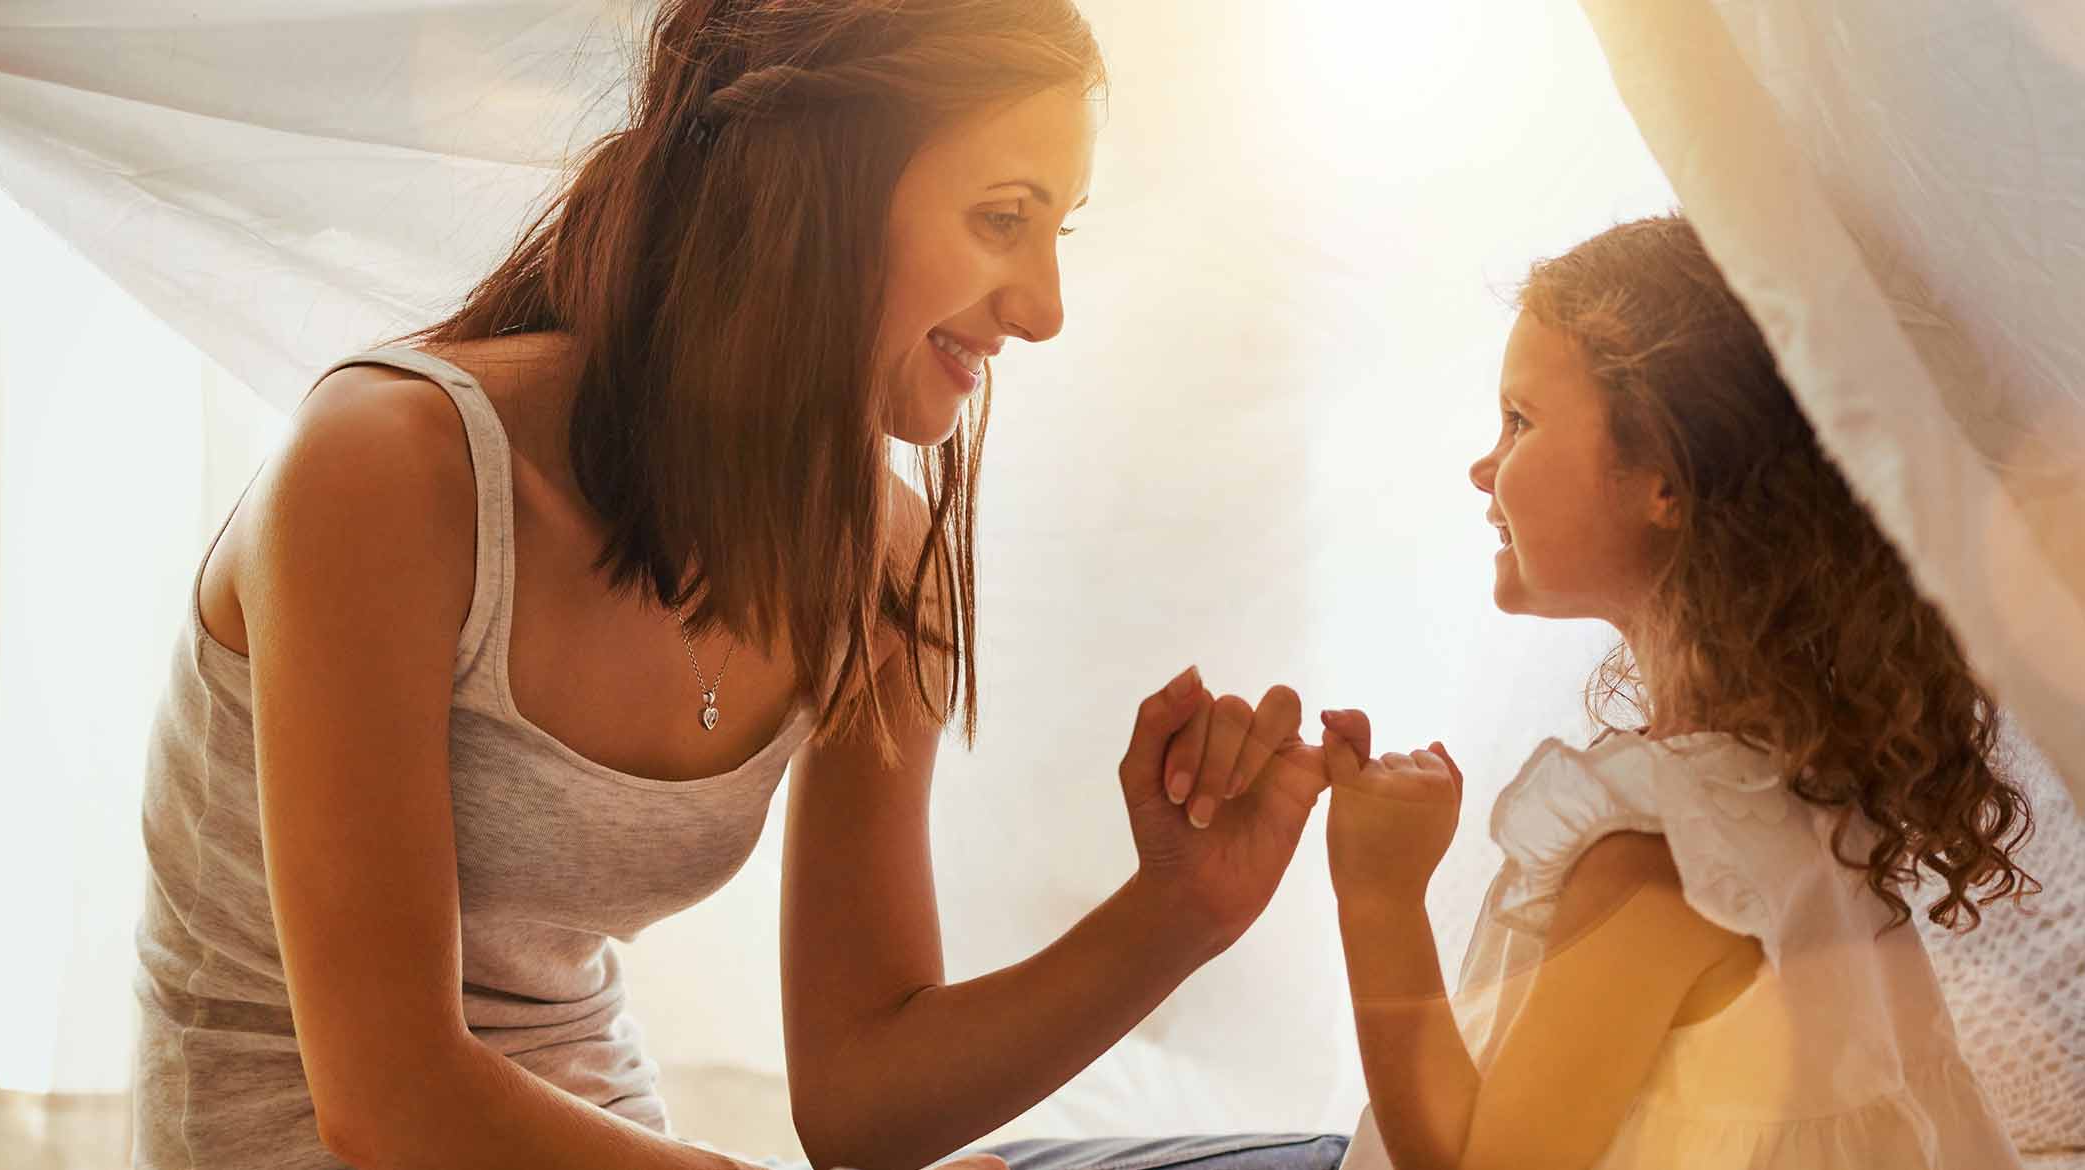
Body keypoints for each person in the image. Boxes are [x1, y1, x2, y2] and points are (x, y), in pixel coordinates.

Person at [133, 2, 1340, 1169]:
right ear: (816, 186)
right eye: (1000, 218)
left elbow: (863, 1104)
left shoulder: (884, 570)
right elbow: (386, 1097)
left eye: (1056, 233)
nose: (1044, 311)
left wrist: (1176, 918)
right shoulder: (390, 470)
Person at [1318, 214, 2035, 1169]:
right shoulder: (1795, 784)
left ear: (1664, 477)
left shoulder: (1656, 864)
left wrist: (1378, 897)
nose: (1484, 467)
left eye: (1520, 421)